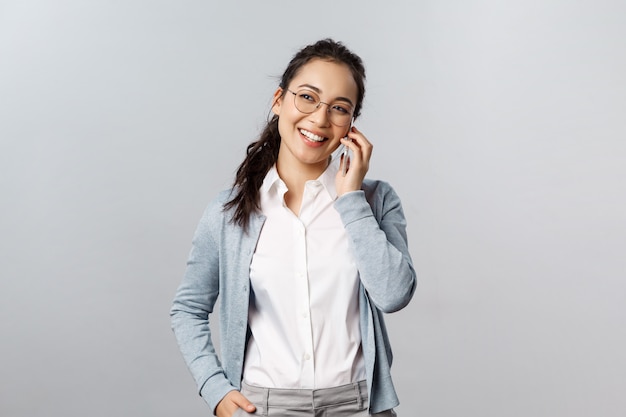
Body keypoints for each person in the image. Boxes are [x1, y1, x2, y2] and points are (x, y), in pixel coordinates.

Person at [170, 38, 416, 417]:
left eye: (339, 108)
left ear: (351, 125)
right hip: (264, 406)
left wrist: (351, 200)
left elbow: (393, 294)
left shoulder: (376, 201)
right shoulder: (228, 212)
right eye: (307, 97)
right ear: (279, 100)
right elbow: (188, 307)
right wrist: (215, 389)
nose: (319, 119)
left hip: (358, 405)